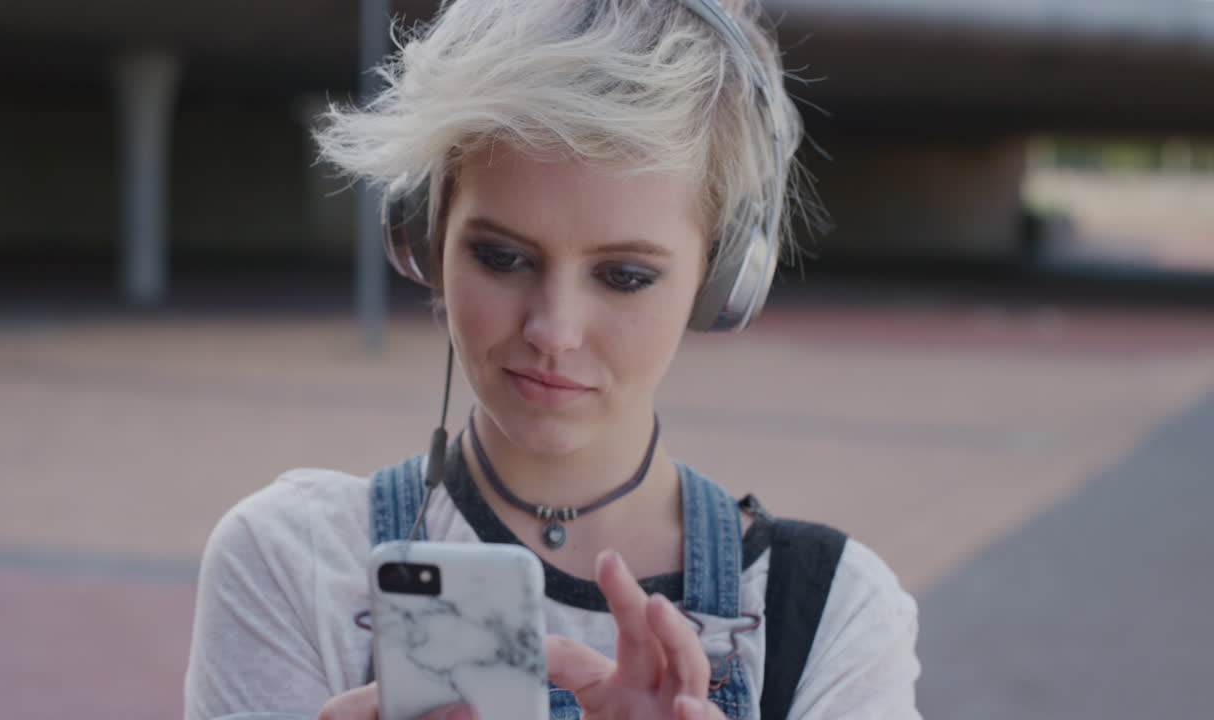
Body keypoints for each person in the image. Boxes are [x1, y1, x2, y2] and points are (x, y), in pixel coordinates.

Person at [184, 1, 921, 719]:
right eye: (502, 258)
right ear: (424, 235)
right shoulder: (287, 564)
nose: (553, 330)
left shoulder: (834, 614)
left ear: (722, 279)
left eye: (625, 276)